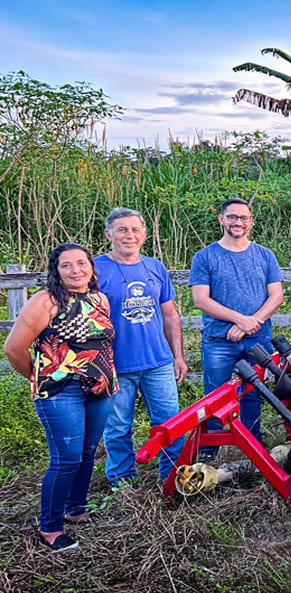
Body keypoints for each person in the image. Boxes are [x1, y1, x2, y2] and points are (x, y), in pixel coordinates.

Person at [4, 243, 118, 552]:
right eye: (66, 265)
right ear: (56, 270)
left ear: (91, 267)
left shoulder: (100, 299)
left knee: (88, 451)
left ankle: (76, 509)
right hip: (60, 391)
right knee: (66, 458)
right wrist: (36, 374)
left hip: (100, 387)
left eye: (82, 263)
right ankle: (50, 527)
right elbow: (14, 348)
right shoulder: (46, 302)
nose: (76, 270)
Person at [95, 208, 188, 487]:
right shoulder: (96, 269)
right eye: (122, 229)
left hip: (158, 362)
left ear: (144, 234)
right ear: (109, 234)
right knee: (117, 427)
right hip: (115, 365)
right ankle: (122, 482)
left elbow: (170, 315)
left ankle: (170, 476)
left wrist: (178, 356)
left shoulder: (154, 267)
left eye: (135, 230)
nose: (129, 235)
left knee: (170, 422)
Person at [189, 198, 284, 456]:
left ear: (251, 222)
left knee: (254, 391)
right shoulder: (205, 256)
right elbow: (201, 299)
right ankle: (212, 450)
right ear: (221, 219)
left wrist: (250, 323)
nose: (237, 222)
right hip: (219, 339)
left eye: (243, 218)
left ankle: (253, 444)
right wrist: (239, 320)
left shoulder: (265, 255)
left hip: (257, 337)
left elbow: (276, 296)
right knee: (216, 395)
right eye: (232, 217)